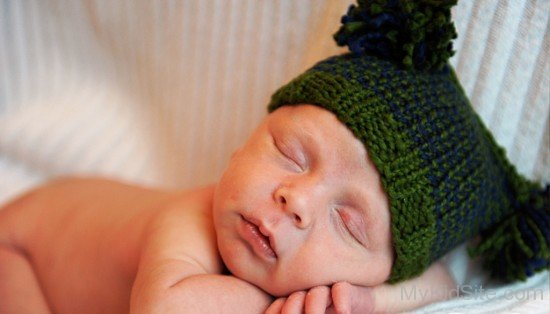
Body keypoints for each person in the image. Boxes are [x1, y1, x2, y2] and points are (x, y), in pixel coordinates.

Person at [0, 1, 548, 313]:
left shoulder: (345, 276)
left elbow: (448, 283)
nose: (297, 198)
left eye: (348, 223)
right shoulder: (187, 223)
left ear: (379, 270)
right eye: (289, 153)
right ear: (244, 142)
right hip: (19, 248)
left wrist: (365, 303)